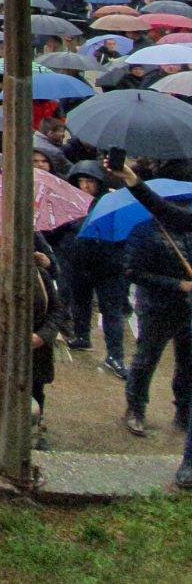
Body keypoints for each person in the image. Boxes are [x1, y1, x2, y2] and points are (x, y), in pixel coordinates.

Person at [115, 163, 192, 465]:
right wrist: (178, 284)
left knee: (188, 364)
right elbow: (132, 271)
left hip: (187, 310)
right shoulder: (144, 232)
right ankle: (136, 408)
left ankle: (183, 411)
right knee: (147, 360)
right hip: (158, 307)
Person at [0, 242, 68, 417]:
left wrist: (42, 336)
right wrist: (21, 336)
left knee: (36, 393)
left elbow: (57, 309)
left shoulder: (40, 274)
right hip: (7, 349)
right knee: (7, 396)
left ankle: (35, 427)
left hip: (38, 351)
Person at [62, 161, 129, 379]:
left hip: (108, 268)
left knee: (111, 312)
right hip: (78, 264)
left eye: (90, 181)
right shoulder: (69, 203)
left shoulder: (111, 202)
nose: (85, 185)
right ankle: (82, 336)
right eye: (81, 181)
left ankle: (115, 355)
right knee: (79, 303)